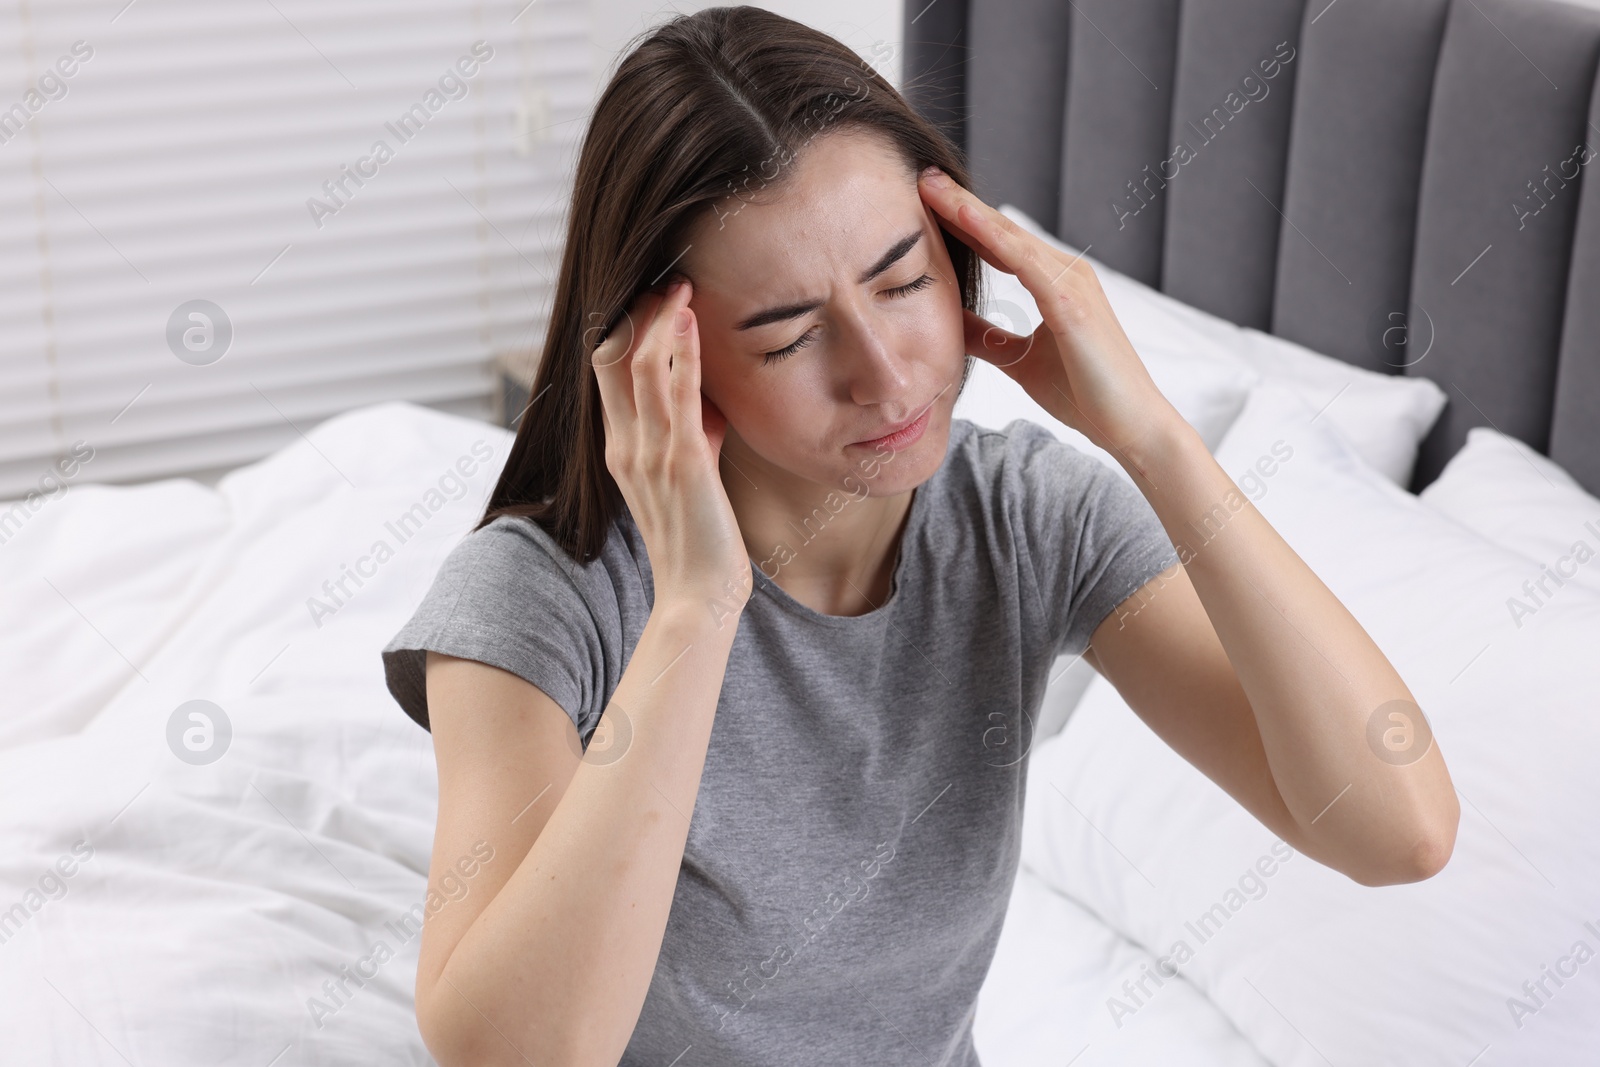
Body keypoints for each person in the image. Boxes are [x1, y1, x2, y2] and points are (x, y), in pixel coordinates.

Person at [379, 7, 1459, 1065]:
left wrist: (1155, 439)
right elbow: (514, 1053)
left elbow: (1396, 828)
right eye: (791, 335)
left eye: (903, 282)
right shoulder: (539, 596)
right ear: (670, 356)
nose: (886, 375)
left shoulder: (1026, 520)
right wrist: (697, 606)